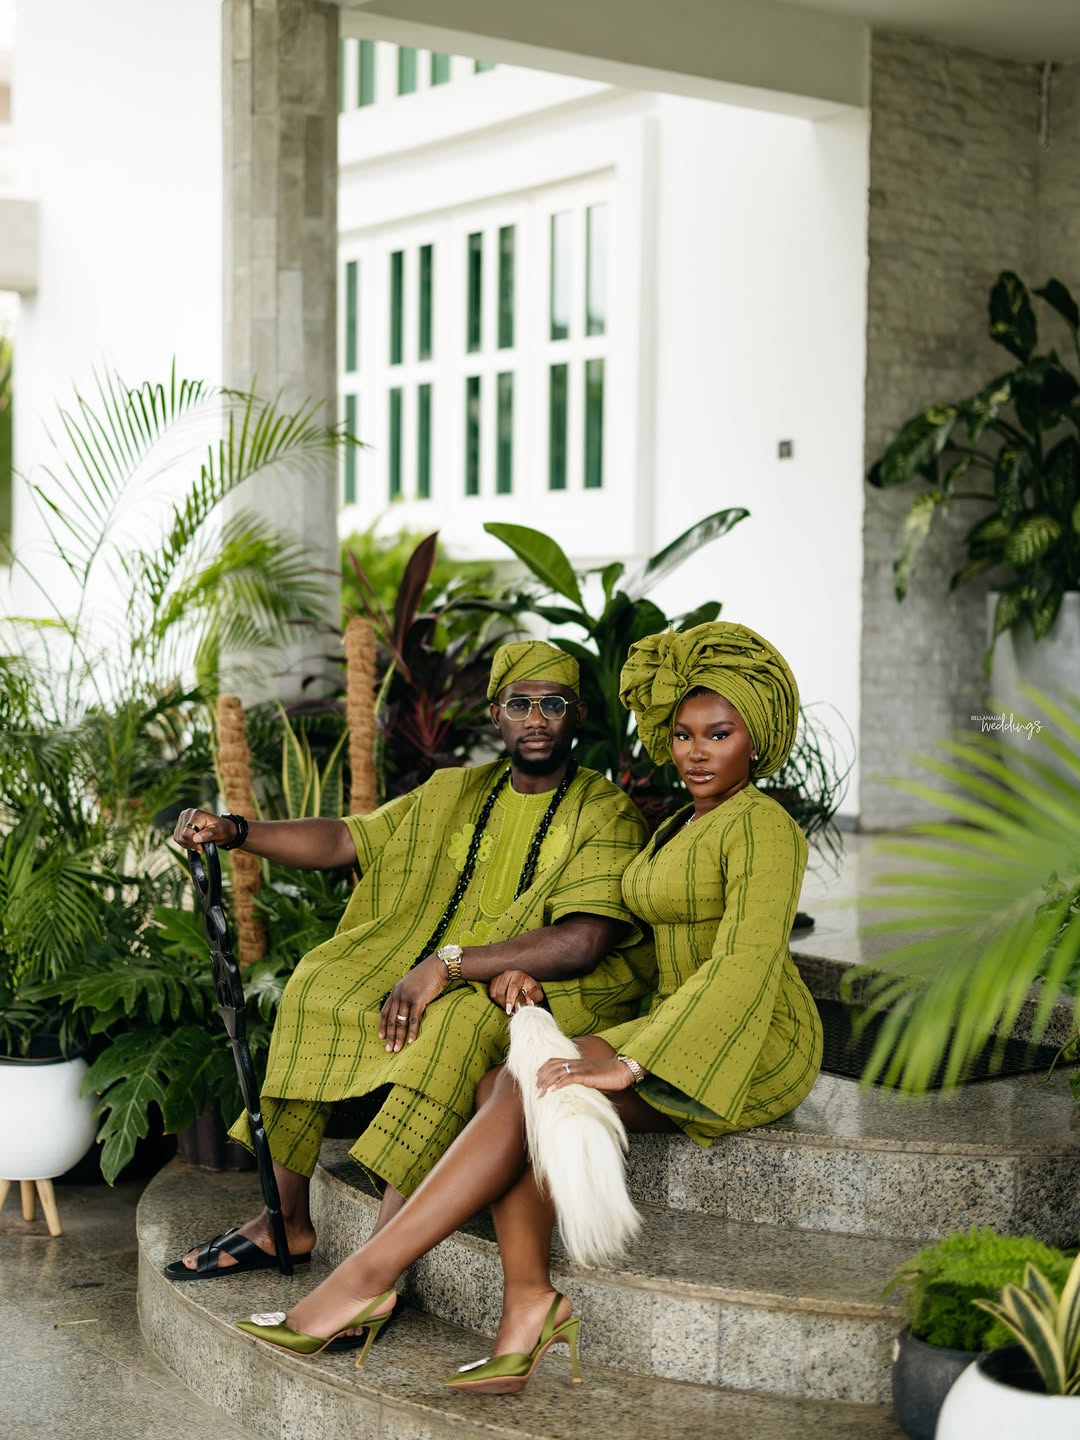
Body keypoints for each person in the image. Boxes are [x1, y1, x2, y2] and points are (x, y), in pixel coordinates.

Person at [231, 620, 825, 1391]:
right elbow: (638, 939)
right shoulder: (686, 820)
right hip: (671, 1012)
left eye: (718, 734)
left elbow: (743, 965)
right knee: (503, 1080)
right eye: (682, 734)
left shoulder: (763, 826)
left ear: (758, 739)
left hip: (750, 1038)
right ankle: (529, 1305)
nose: (696, 752)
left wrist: (633, 1061)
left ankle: (365, 1278)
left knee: (527, 1081)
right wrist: (530, 981)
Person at [167, 640, 655, 1279]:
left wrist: (446, 966)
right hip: (437, 964)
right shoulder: (453, 790)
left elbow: (584, 940)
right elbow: (347, 837)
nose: (536, 718)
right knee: (320, 984)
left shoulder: (604, 810)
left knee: (458, 1027)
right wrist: (235, 831)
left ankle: (377, 1267)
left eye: (552, 704)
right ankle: (282, 1219)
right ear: (496, 715)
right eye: (520, 704)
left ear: (578, 716)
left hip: (531, 984)